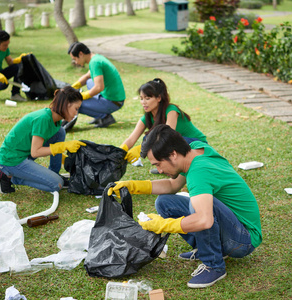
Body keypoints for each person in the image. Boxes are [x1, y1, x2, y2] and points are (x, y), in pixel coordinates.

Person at [108, 124, 262, 289]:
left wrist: (162, 225)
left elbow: (204, 220)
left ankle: (214, 265)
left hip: (243, 239)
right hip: (232, 225)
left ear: (173, 154)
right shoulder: (194, 150)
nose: (159, 170)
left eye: (158, 164)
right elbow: (171, 186)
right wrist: (132, 186)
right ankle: (208, 248)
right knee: (165, 202)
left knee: (200, 208)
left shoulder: (198, 172)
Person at [0, 86, 86, 194]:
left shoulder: (56, 121)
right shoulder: (43, 119)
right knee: (57, 184)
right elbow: (35, 152)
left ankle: (53, 173)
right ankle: (8, 176)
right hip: (12, 159)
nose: (76, 113)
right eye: (76, 108)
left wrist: (62, 156)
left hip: (23, 153)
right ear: (66, 105)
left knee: (60, 132)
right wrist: (62, 147)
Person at [119, 78, 207, 168]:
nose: (143, 102)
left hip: (197, 145)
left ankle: (169, 167)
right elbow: (131, 139)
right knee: (147, 138)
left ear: (159, 98)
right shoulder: (147, 117)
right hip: (180, 144)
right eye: (141, 99)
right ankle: (166, 167)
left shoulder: (171, 110)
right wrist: (119, 152)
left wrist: (139, 149)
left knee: (157, 140)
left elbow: (167, 136)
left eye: (147, 98)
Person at [66, 42, 126, 129]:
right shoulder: (96, 58)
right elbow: (87, 76)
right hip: (113, 96)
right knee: (89, 81)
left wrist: (79, 96)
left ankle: (104, 117)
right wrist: (72, 88)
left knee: (77, 104)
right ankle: (100, 114)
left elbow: (99, 87)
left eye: (75, 59)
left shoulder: (95, 63)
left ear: (81, 54)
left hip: (114, 102)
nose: (76, 62)